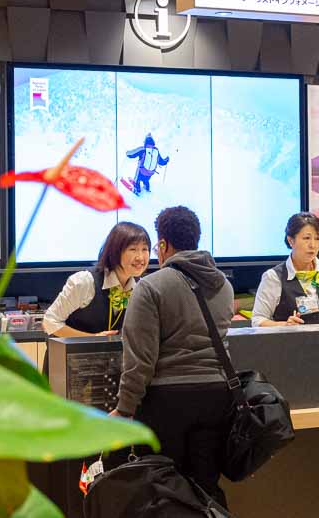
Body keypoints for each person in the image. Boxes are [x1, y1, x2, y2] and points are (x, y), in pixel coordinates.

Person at [111, 206, 235, 508]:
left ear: (163, 245)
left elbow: (140, 361)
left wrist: (124, 410)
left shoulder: (152, 287)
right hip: (218, 398)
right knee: (206, 487)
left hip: (168, 400)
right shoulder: (224, 286)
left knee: (166, 491)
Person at [41, 222, 150, 375]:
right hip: (67, 369)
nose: (140, 257)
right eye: (133, 249)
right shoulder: (85, 281)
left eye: (145, 249)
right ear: (115, 251)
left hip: (105, 371)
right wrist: (92, 338)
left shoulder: (139, 287)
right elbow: (50, 322)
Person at [252, 212, 319, 327]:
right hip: (291, 343)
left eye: (317, 238)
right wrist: (285, 325)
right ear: (291, 241)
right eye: (306, 238)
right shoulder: (274, 277)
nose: (313, 245)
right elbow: (258, 320)